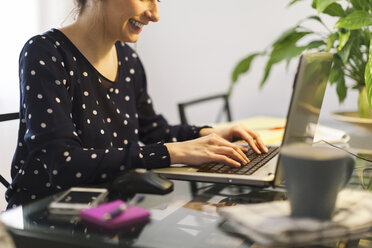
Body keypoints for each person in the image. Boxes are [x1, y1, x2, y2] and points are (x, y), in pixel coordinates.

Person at [6, 0, 268, 209]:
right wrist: (174, 152)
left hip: (112, 211)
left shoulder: (128, 59)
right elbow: (62, 164)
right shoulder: (45, 53)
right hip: (48, 217)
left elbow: (152, 129)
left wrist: (206, 134)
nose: (154, 14)